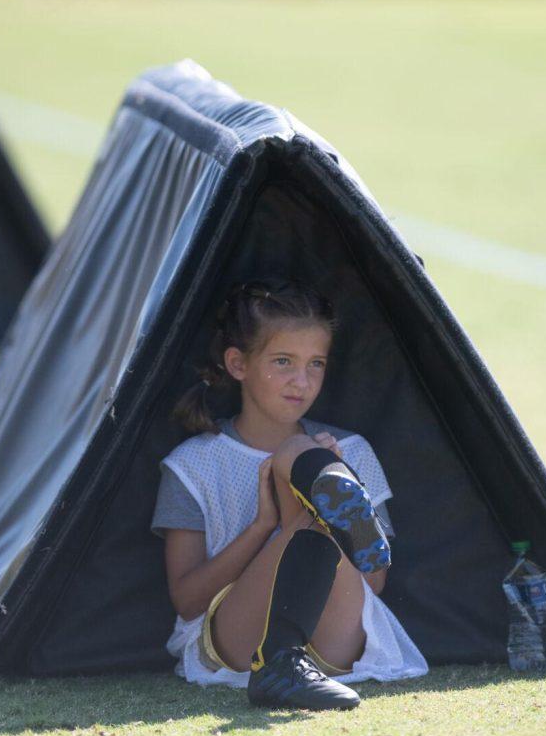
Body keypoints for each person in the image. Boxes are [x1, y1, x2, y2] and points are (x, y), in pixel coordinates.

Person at [151, 278, 428, 710]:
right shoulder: (191, 465)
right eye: (283, 361)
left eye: (316, 364)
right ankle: (316, 493)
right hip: (237, 644)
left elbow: (373, 580)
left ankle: (285, 663)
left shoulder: (354, 451)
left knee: (304, 458)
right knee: (298, 455)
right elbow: (188, 602)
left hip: (335, 642)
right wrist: (268, 525)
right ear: (238, 364)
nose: (302, 380)